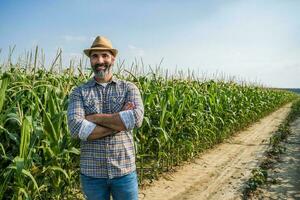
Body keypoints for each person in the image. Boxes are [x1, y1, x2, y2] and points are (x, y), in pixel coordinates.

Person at [67, 36, 144, 200]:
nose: (100, 60)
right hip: (92, 174)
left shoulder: (129, 88)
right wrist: (120, 122)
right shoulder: (79, 92)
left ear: (113, 58)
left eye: (104, 55)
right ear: (90, 60)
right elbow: (75, 128)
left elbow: (136, 119)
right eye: (95, 56)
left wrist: (93, 118)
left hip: (124, 170)